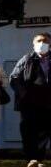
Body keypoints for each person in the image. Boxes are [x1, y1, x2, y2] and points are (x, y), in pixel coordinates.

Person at [9, 32, 51, 166]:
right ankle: (32, 159)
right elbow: (14, 78)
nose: (42, 44)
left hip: (48, 103)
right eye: (39, 41)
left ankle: (39, 159)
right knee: (28, 132)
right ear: (33, 44)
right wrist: (23, 93)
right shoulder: (27, 59)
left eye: (45, 41)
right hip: (29, 103)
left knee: (44, 132)